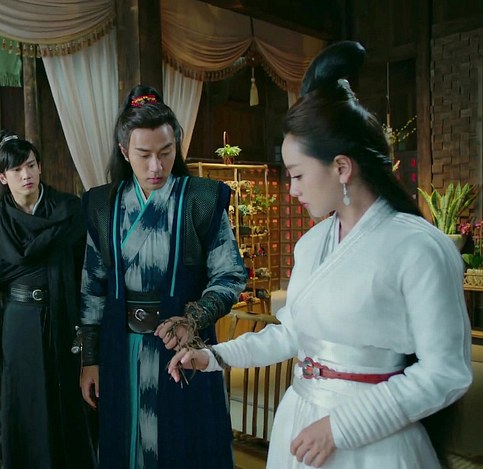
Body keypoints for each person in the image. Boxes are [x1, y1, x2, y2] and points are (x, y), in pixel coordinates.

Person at [169, 41, 472, 468]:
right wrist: (214, 357)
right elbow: (292, 334)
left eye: (297, 175)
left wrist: (341, 427)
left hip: (372, 439)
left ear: (342, 168)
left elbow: (446, 373)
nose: (291, 189)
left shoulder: (419, 247)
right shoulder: (312, 244)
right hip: (300, 419)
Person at [79, 85, 247, 468]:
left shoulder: (201, 200)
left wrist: (193, 318)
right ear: (124, 152)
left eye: (166, 152)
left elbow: (230, 275)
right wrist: (90, 359)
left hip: (182, 348)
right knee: (126, 445)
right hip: (120, 348)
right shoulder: (102, 205)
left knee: (186, 446)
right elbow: (92, 288)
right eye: (144, 155)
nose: (156, 166)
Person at [0, 130, 97, 469]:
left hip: (63, 316)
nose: (26, 175)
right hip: (18, 323)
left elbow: (87, 272)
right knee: (25, 401)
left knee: (67, 401)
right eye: (16, 170)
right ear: (3, 177)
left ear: (40, 167)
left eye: (30, 165)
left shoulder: (69, 210)